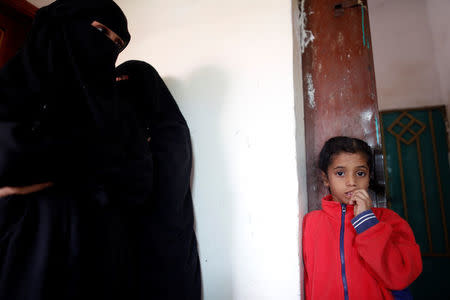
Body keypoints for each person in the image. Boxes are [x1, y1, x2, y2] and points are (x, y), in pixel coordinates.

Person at [0, 1, 150, 299]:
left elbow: (137, 184)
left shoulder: (115, 109)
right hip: (27, 252)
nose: (108, 45)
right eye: (101, 31)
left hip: (98, 253)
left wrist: (47, 167)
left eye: (118, 43)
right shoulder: (15, 87)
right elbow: (9, 160)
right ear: (62, 26)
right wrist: (90, 164)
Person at [116, 60, 202, 300]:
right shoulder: (112, 131)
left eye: (128, 84)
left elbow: (160, 193)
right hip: (121, 254)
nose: (121, 94)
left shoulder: (170, 132)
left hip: (165, 253)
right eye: (115, 84)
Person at [302, 136, 422, 300]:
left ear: (369, 176)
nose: (351, 182)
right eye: (340, 173)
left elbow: (400, 276)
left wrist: (367, 223)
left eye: (360, 173)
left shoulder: (388, 220)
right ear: (325, 178)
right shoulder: (310, 223)